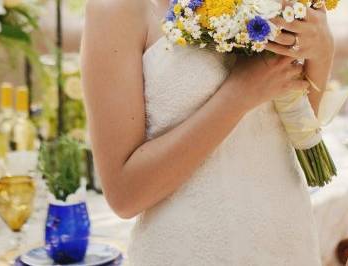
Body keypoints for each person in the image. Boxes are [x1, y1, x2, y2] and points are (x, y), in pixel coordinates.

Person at [81, 0, 334, 264]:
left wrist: (323, 48)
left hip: (287, 241)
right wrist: (238, 96)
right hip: (190, 250)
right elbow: (125, 195)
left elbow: (297, 126)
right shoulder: (116, 9)